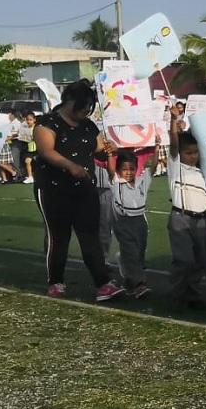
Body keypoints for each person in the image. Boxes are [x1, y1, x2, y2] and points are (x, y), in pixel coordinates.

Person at [32, 78, 124, 301]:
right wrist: (69, 165)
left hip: (84, 187)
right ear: (69, 101)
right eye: (82, 107)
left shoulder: (89, 126)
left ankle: (102, 283)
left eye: (89, 108)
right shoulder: (47, 123)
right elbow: (46, 151)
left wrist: (108, 149)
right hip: (53, 188)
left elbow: (99, 150)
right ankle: (55, 281)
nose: (85, 112)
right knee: (58, 236)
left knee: (90, 235)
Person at [167, 117, 206, 309]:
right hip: (181, 218)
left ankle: (193, 295)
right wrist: (173, 123)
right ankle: (177, 296)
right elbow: (174, 145)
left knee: (202, 260)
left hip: (201, 220)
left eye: (195, 153)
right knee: (184, 260)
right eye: (188, 153)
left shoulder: (201, 173)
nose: (193, 156)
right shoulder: (176, 167)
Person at [107, 139, 159, 299]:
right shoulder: (117, 182)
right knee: (130, 250)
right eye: (124, 169)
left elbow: (153, 167)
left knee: (139, 251)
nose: (128, 172)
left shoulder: (142, 181)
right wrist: (110, 154)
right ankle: (139, 284)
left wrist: (157, 147)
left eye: (131, 169)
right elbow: (110, 169)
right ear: (119, 170)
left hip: (139, 222)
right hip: (124, 222)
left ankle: (129, 282)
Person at [17, 111, 36, 183]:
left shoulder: (37, 128)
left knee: (29, 161)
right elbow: (21, 136)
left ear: (34, 120)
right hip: (29, 147)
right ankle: (30, 176)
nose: (28, 121)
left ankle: (31, 176)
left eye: (30, 120)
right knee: (27, 161)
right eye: (27, 119)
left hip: (37, 148)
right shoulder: (24, 127)